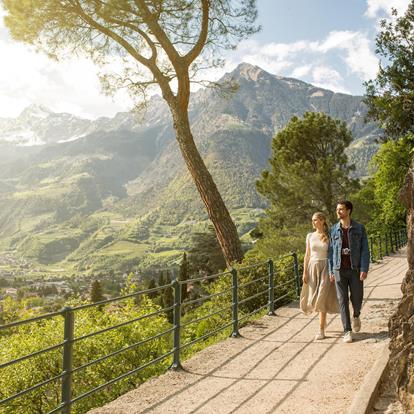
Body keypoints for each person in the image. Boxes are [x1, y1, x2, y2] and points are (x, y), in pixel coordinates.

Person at [328, 200, 370, 343]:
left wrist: (364, 268)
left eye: (341, 209)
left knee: (357, 297)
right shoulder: (333, 229)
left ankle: (356, 314)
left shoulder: (359, 228)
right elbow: (331, 251)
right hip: (339, 269)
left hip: (355, 269)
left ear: (348, 211)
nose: (338, 212)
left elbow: (365, 250)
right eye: (337, 209)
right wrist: (331, 270)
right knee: (342, 300)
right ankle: (347, 330)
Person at [300, 212, 339, 340]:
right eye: (313, 220)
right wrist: (304, 272)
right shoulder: (310, 236)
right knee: (313, 299)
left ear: (322, 221)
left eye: (316, 220)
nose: (313, 222)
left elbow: (334, 253)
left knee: (321, 296)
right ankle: (323, 322)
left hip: (326, 267)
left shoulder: (329, 235)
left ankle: (321, 329)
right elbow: (307, 255)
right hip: (312, 267)